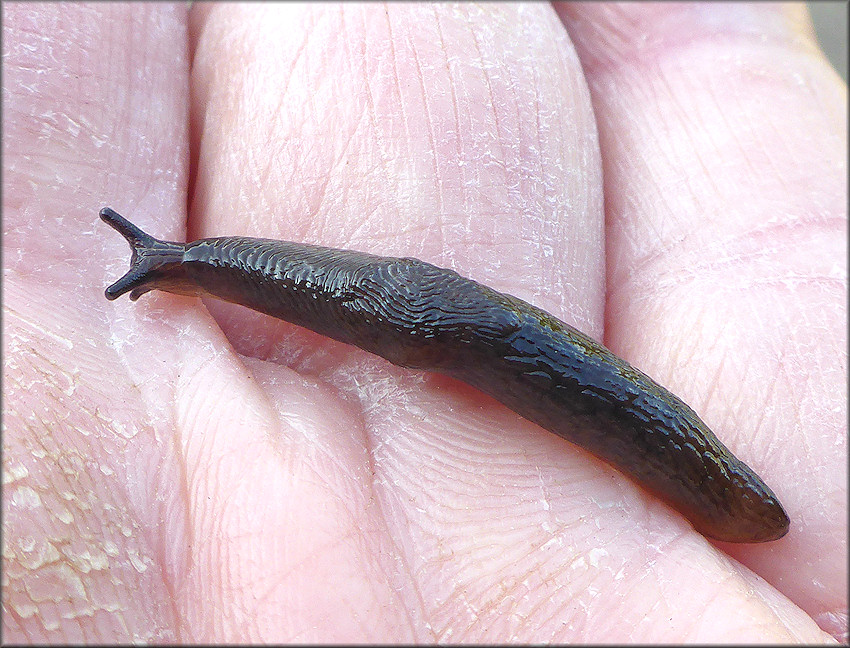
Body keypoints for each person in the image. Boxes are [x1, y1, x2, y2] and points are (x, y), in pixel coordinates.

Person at [3, 2, 845, 643]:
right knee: (415, 312)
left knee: (454, 329)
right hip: (430, 322)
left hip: (464, 340)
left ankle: (719, 494)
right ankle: (184, 259)